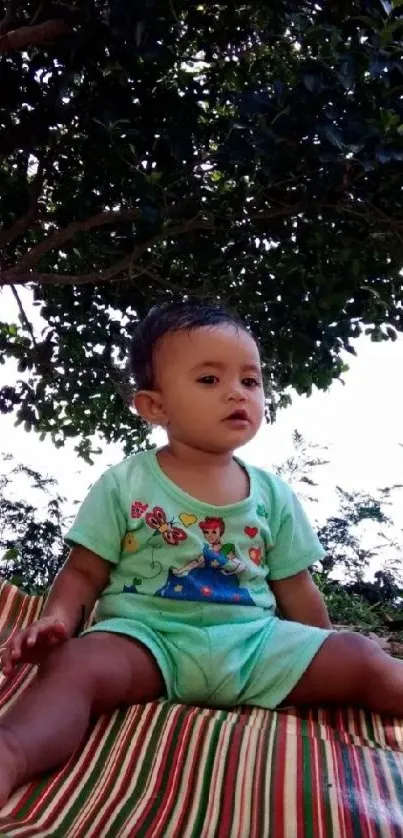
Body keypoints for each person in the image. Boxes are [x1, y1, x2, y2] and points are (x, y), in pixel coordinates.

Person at [0, 300, 402, 806]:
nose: (237, 392)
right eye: (210, 380)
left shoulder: (272, 494)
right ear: (154, 406)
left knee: (362, 655)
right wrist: (58, 621)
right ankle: (13, 749)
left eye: (250, 381)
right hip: (146, 641)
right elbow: (83, 571)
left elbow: (295, 589)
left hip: (254, 645)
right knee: (76, 667)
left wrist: (321, 650)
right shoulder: (126, 483)